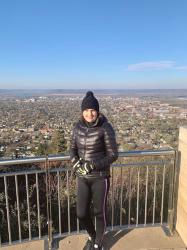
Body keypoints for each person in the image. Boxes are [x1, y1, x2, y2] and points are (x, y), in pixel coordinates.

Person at [70, 91, 118, 250]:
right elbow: (72, 149)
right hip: (83, 177)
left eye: (92, 110)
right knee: (81, 213)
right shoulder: (77, 127)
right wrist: (75, 161)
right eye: (86, 110)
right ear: (82, 111)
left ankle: (98, 243)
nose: (89, 113)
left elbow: (113, 155)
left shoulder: (105, 127)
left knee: (99, 212)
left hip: (100, 177)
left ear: (97, 111)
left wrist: (92, 165)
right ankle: (92, 235)